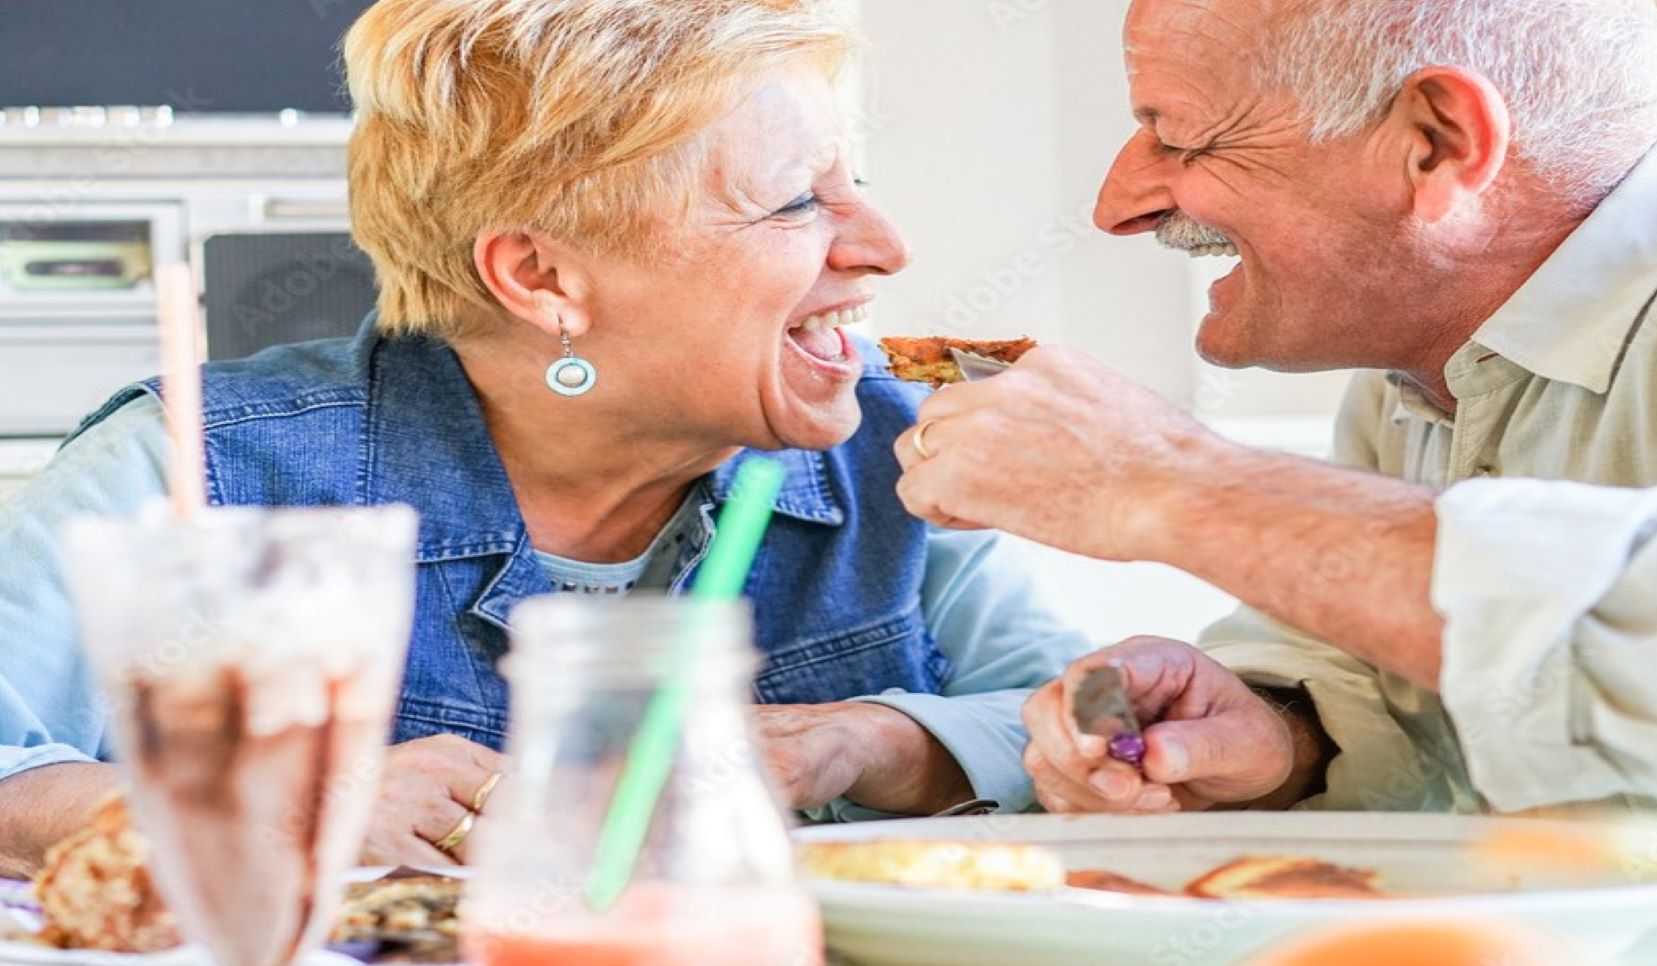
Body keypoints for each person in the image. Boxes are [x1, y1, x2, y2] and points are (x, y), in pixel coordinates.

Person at [0, 0, 1086, 878]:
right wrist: (269, 800)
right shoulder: (195, 469)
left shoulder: (896, 452)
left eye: (857, 185)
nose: (886, 248)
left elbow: (1083, 735)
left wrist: (870, 745)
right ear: (542, 277)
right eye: (797, 203)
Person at [896, 0, 1657, 819]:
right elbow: (1432, 715)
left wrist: (1160, 479)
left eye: (1181, 138)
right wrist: (1277, 734)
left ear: (1437, 142)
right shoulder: (1422, 377)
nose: (1120, 204)